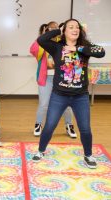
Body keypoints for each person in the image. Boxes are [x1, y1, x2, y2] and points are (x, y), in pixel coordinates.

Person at [32, 19, 105, 169]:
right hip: (59, 95)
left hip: (80, 97)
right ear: (64, 31)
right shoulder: (57, 47)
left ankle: (88, 155)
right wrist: (58, 30)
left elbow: (101, 52)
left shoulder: (85, 47)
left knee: (85, 128)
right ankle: (41, 151)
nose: (75, 29)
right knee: (50, 125)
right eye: (70, 27)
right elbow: (41, 39)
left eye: (77, 27)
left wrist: (77, 49)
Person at [30, 21, 76, 138]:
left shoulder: (62, 42)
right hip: (46, 78)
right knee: (43, 103)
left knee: (67, 104)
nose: (54, 30)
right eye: (51, 29)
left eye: (56, 28)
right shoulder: (42, 43)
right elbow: (33, 49)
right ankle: (38, 124)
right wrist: (44, 35)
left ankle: (69, 125)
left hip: (62, 78)